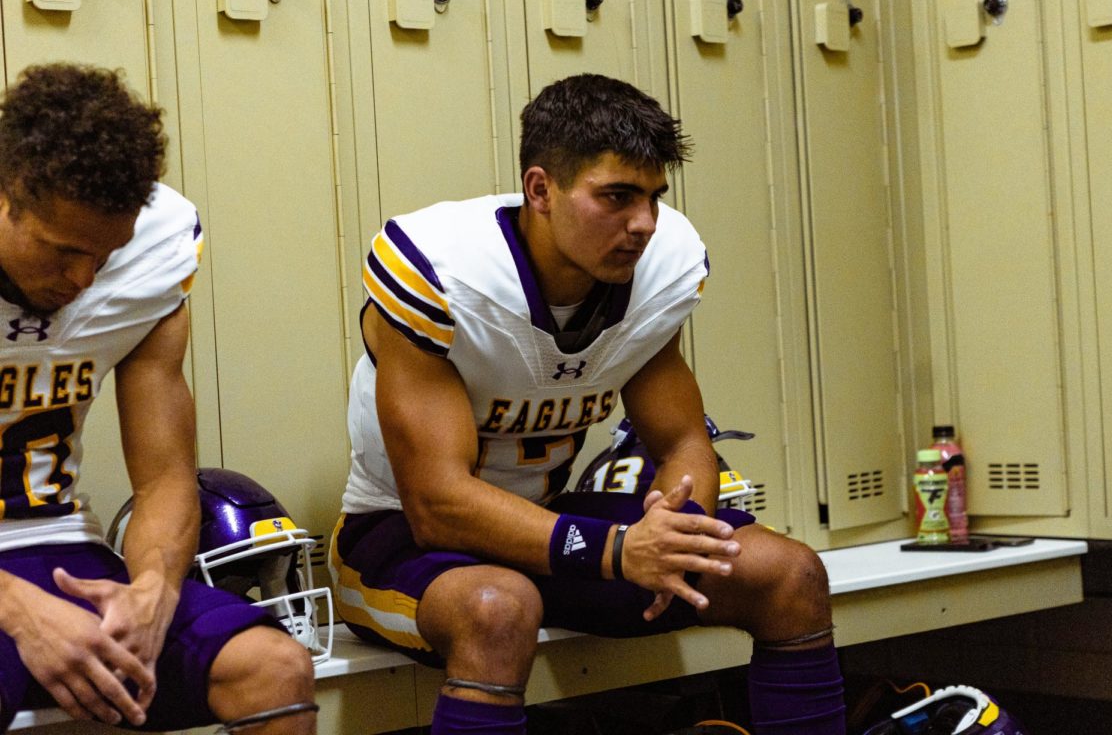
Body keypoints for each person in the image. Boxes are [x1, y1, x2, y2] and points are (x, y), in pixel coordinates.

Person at [333, 73, 846, 734]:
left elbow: (684, 439)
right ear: (540, 189)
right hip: (397, 536)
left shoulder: (658, 268)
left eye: (654, 198)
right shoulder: (443, 271)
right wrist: (618, 550)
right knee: (499, 608)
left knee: (790, 573)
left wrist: (676, 532)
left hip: (551, 524)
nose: (643, 224)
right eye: (617, 197)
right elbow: (438, 506)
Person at [0, 64, 316, 734]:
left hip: (56, 545)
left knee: (275, 669)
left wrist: (152, 592)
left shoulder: (155, 249)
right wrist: (19, 609)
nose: (83, 278)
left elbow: (167, 474)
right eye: (62, 250)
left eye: (105, 254)